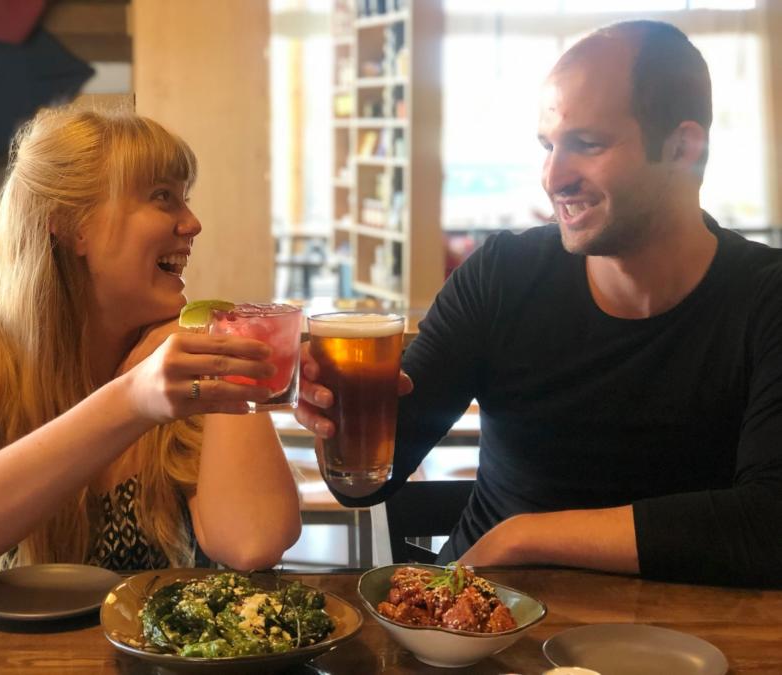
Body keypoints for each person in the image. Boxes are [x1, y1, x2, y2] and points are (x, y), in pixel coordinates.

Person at [298, 20, 782, 587]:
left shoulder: (764, 298)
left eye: (588, 144)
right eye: (548, 146)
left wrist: (526, 535)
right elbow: (370, 480)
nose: (553, 177)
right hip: (490, 617)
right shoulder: (503, 276)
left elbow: (769, 526)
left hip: (688, 633)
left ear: (682, 147)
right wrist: (338, 419)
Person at [0, 107, 302, 588]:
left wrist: (232, 352)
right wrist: (132, 400)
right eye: (162, 197)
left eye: (184, 199)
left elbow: (254, 543)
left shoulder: (187, 359)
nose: (192, 224)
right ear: (70, 224)